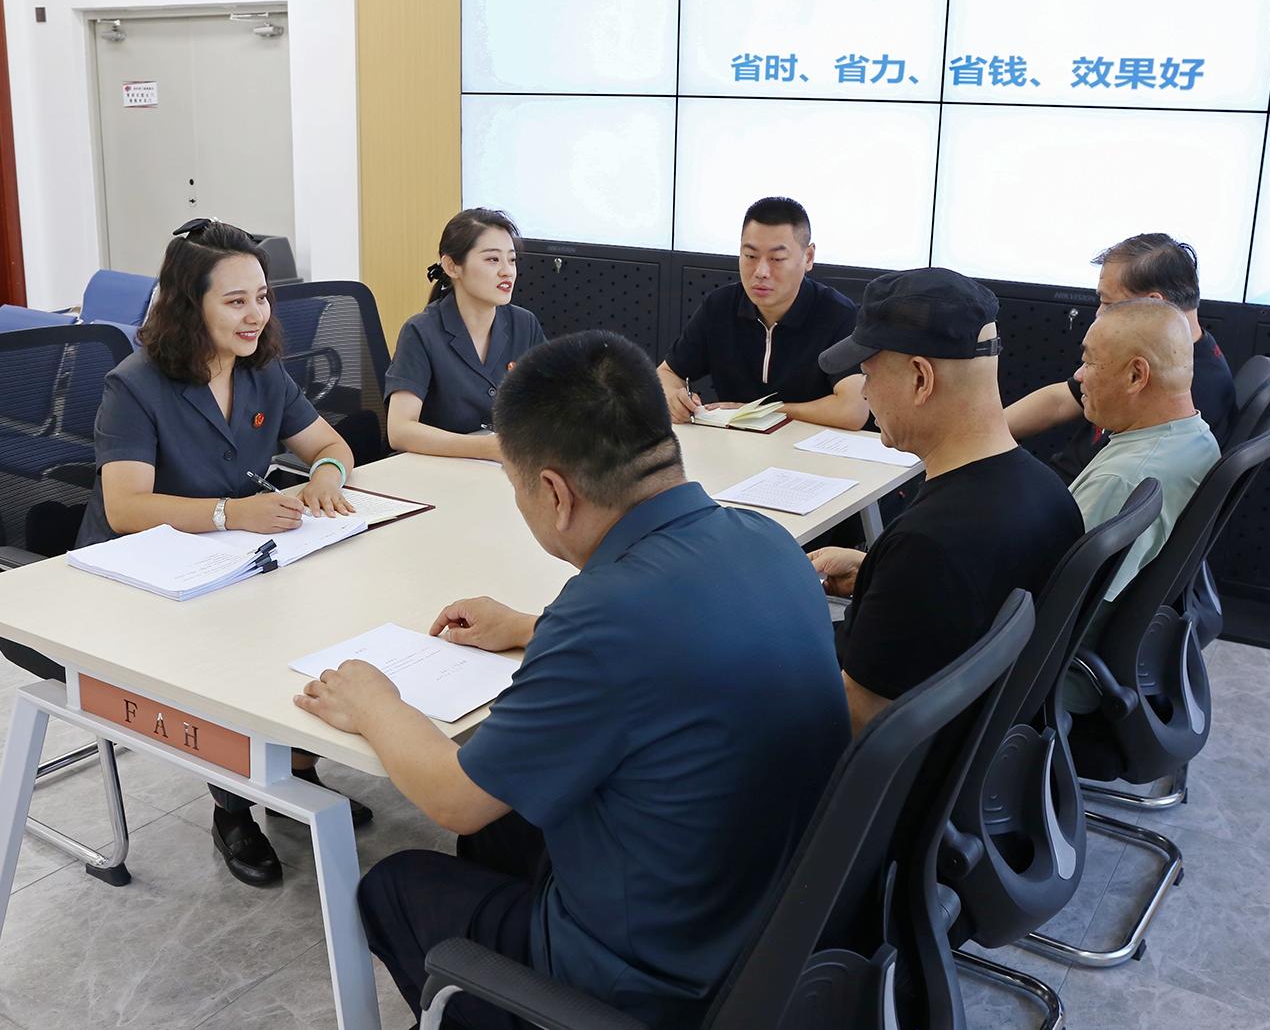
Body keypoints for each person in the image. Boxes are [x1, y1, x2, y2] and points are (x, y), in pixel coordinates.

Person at [295, 331, 850, 1029]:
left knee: (395, 885)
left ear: (554, 492)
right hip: (776, 921)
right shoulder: (766, 539)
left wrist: (375, 701)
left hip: (657, 981)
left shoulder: (603, 613)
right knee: (505, 831)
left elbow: (453, 798)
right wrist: (530, 626)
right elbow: (675, 645)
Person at [79, 220, 368, 889]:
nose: (256, 315)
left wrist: (327, 476)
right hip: (139, 573)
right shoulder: (135, 384)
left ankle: (294, 775)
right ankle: (232, 807)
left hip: (232, 558)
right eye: (236, 301)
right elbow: (125, 507)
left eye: (262, 297)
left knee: (312, 618)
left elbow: (331, 446)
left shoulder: (261, 371)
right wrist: (230, 514)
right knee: (233, 647)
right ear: (191, 305)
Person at [806, 269, 1084, 733]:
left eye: (868, 373)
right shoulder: (1048, 494)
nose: (866, 391)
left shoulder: (927, 547)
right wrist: (876, 576)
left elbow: (858, 724)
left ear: (921, 378)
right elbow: (960, 606)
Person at [1005, 233, 1236, 481]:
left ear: (1153, 304)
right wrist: (984, 434)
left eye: (1108, 303)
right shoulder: (1172, 355)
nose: (1099, 313)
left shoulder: (1182, 393)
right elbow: (1060, 401)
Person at [657, 196, 868, 429]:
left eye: (777, 259)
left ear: (808, 257)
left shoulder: (838, 314)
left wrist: (757, 412)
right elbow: (667, 373)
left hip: (810, 446)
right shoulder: (719, 307)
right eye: (750, 256)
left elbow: (853, 410)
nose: (761, 271)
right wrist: (674, 397)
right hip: (735, 445)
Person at [1069, 298, 1221, 606]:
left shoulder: (1121, 479)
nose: (1079, 375)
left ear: (1136, 376)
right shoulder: (1199, 438)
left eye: (1089, 362)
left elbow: (1061, 598)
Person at [386, 208, 548, 460]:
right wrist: (485, 449)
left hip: (505, 468)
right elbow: (399, 431)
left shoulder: (524, 324)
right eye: (492, 259)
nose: (507, 271)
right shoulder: (420, 332)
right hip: (437, 468)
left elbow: (554, 400)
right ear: (452, 266)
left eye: (512, 260)